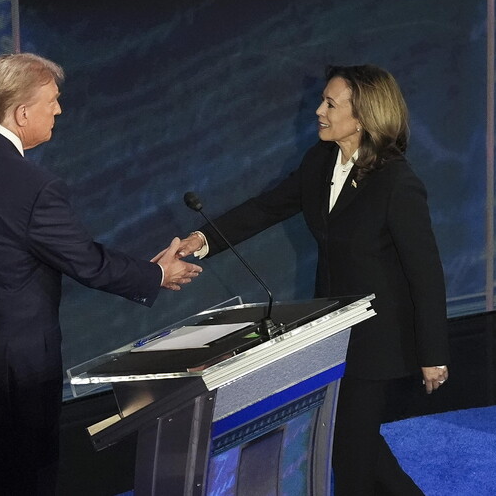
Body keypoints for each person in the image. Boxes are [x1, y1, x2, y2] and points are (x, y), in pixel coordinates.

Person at [0, 53, 202, 496]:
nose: (59, 110)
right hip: (10, 377)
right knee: (25, 482)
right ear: (21, 112)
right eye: (53, 101)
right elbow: (86, 262)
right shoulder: (32, 187)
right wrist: (155, 274)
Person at [174, 64, 449, 495]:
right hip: (334, 330)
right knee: (355, 442)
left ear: (361, 117)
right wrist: (202, 238)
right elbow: (267, 208)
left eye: (330, 104)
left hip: (379, 338)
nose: (319, 111)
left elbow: (425, 272)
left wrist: (433, 353)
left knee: (351, 457)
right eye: (323, 100)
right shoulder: (320, 160)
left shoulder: (396, 181)